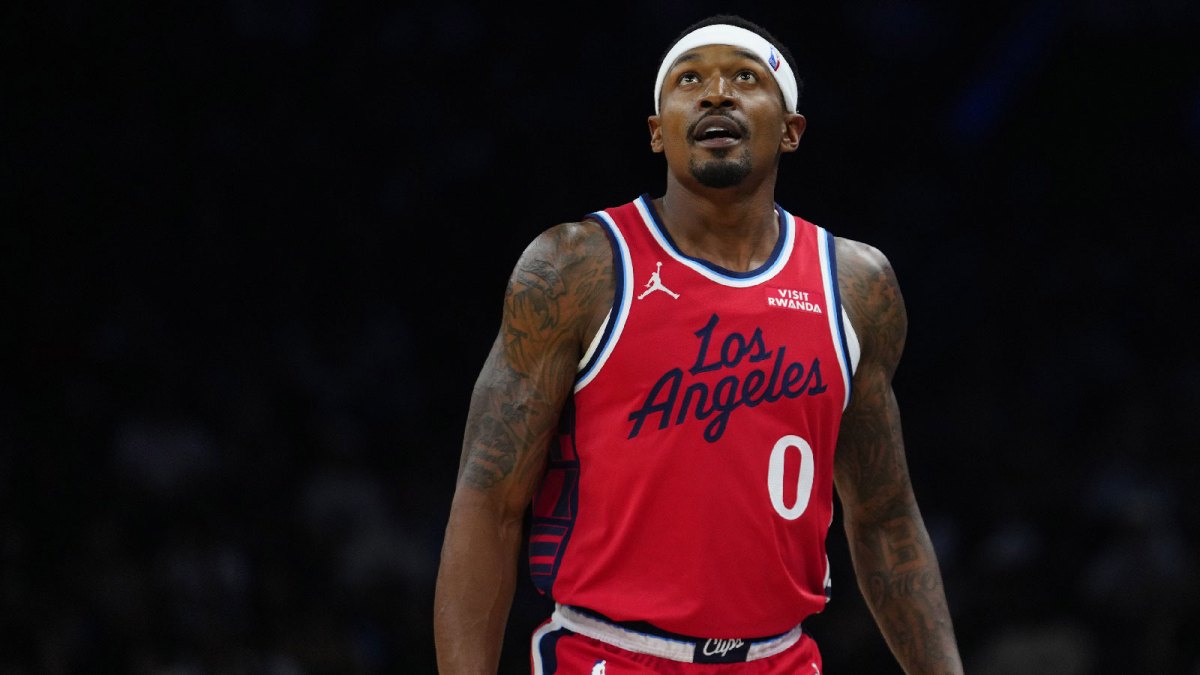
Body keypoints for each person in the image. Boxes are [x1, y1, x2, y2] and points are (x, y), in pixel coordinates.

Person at [435, 13, 964, 674]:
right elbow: (488, 503)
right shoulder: (576, 266)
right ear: (657, 132)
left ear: (792, 130)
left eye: (745, 78)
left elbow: (884, 517)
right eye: (690, 80)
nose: (717, 93)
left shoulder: (856, 285)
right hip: (609, 654)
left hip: (780, 659)